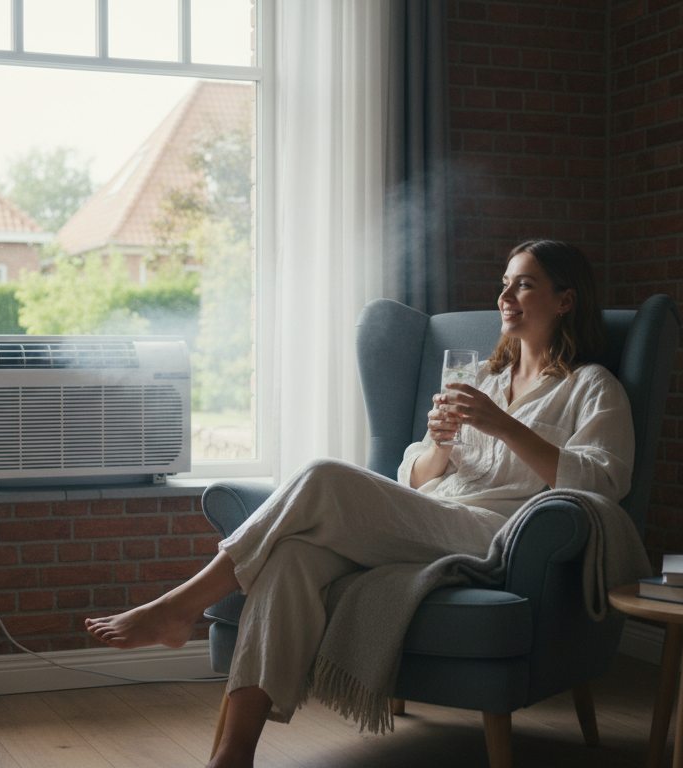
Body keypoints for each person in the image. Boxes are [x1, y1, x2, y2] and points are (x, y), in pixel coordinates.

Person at [85, 240, 635, 768]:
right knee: (292, 558)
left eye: (524, 286)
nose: (505, 298)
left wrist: (504, 426)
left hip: (493, 534)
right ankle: (233, 756)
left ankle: (181, 606)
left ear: (565, 300)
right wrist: (440, 446)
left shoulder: (591, 386)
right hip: (434, 514)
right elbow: (411, 476)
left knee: (324, 475)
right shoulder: (482, 378)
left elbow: (603, 481)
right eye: (504, 285)